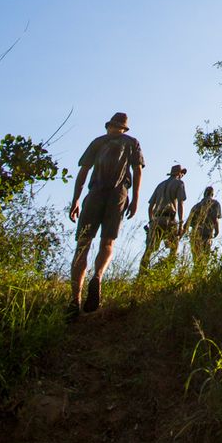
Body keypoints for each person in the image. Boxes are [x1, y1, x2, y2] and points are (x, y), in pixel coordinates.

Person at [68, 112, 144, 321]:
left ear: (109, 126)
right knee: (107, 243)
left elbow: (83, 172)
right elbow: (137, 171)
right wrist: (135, 199)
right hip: (118, 194)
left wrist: (75, 200)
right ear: (124, 128)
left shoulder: (98, 142)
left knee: (82, 244)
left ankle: (75, 301)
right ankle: (98, 276)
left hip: (94, 194)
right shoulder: (132, 143)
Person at [139, 164, 187, 272]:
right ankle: (167, 271)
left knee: (149, 250)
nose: (182, 175)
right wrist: (180, 223)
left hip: (156, 219)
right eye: (182, 173)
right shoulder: (179, 183)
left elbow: (150, 206)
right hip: (169, 220)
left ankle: (141, 273)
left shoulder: (160, 185)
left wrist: (151, 221)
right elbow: (180, 203)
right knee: (174, 246)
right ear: (179, 174)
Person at [185, 186, 222, 263]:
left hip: (195, 235)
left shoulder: (196, 206)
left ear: (204, 194)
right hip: (206, 234)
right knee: (205, 259)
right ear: (212, 194)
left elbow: (187, 223)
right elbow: (215, 219)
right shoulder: (215, 203)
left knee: (196, 260)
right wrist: (217, 231)